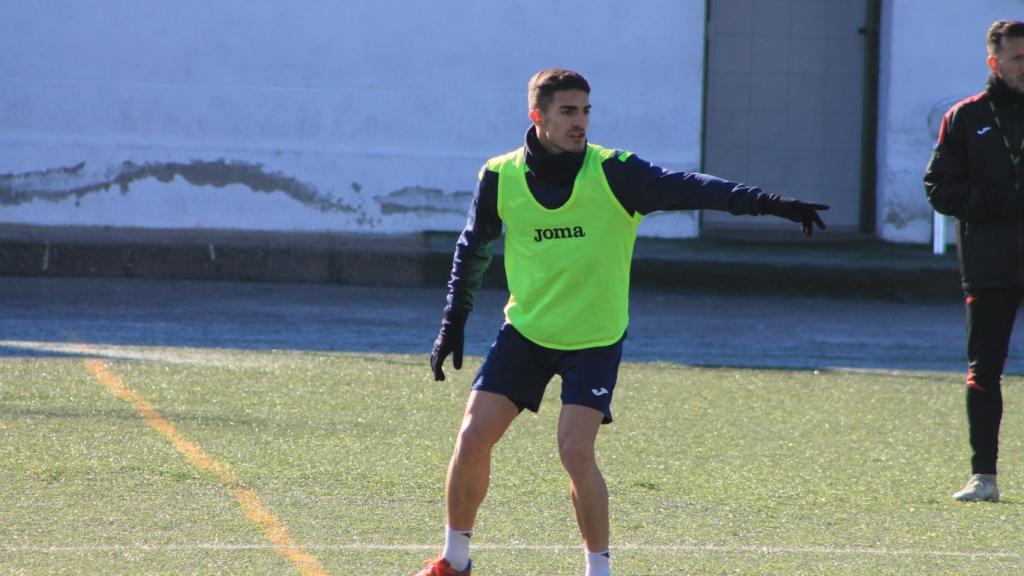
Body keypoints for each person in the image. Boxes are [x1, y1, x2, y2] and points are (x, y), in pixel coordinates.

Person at [419, 68, 829, 576]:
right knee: (472, 437)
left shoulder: (614, 172)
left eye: (586, 111)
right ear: (538, 116)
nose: (580, 122)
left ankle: (599, 570)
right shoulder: (500, 176)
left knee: (574, 450)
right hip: (525, 332)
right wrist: (453, 321)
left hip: (593, 340)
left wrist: (769, 203)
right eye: (568, 111)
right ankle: (454, 562)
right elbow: (471, 249)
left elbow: (691, 187)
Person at [925, 20, 1024, 503]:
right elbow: (938, 188)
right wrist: (999, 202)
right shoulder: (965, 117)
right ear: (995, 62)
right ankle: (983, 477)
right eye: (1019, 59)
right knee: (984, 369)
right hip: (991, 263)